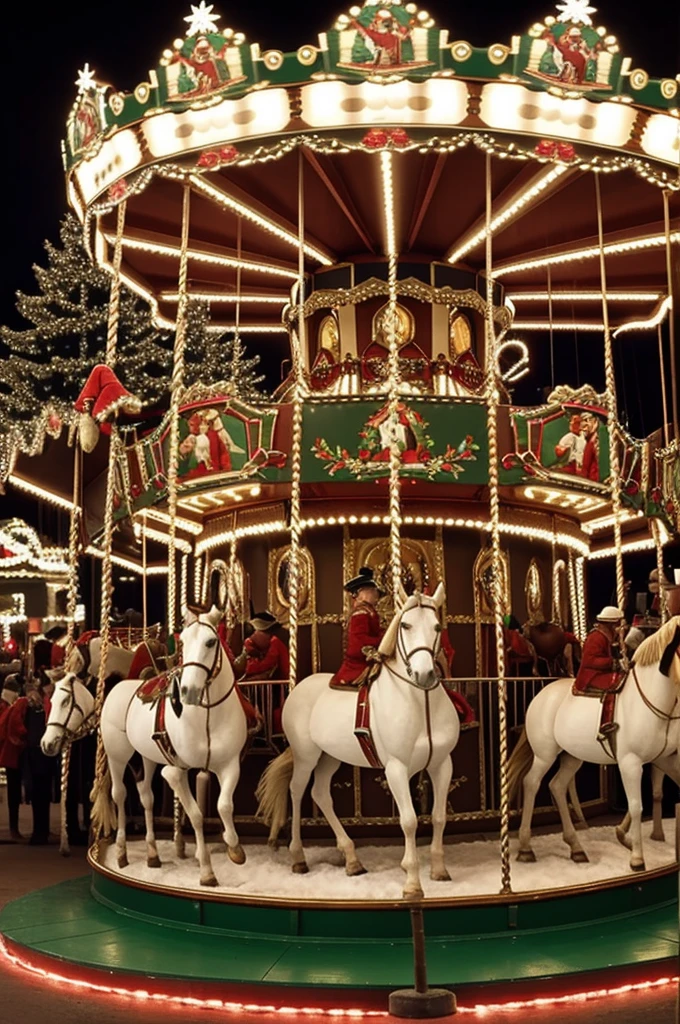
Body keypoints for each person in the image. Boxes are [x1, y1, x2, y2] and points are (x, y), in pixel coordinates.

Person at [5, 677, 58, 844]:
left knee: (42, 792)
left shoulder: (43, 704)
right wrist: (24, 737)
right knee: (37, 792)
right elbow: (15, 724)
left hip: (41, 751)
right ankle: (38, 832)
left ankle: (41, 831)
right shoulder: (28, 704)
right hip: (34, 752)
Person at [573, 606, 624, 742]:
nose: (619, 628)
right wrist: (614, 663)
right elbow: (590, 660)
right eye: (617, 624)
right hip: (591, 676)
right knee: (614, 684)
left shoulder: (606, 637)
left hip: (600, 672)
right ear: (611, 624)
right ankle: (605, 724)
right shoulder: (596, 637)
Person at [330, 567, 384, 687]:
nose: (376, 594)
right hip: (358, 664)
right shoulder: (361, 613)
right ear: (360, 594)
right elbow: (358, 642)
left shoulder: (369, 611)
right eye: (372, 590)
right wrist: (382, 641)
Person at [0, 675, 25, 840]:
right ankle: (13, 828)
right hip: (10, 752)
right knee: (13, 791)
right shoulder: (9, 707)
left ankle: (13, 827)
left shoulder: (5, 706)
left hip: (7, 752)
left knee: (13, 791)